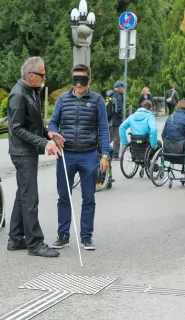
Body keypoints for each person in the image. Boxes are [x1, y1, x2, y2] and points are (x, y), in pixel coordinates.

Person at [48, 64, 110, 251]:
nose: (79, 84)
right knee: (64, 196)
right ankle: (63, 235)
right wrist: (52, 135)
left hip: (89, 155)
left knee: (89, 198)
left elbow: (104, 129)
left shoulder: (98, 100)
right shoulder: (62, 99)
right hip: (66, 155)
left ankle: (86, 237)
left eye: (82, 80)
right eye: (75, 80)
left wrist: (104, 155)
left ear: (89, 80)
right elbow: (52, 123)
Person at [7, 56, 64, 258]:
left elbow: (33, 124)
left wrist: (48, 133)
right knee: (30, 196)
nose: (44, 78)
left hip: (27, 151)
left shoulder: (31, 91)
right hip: (22, 153)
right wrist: (44, 143)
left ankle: (15, 238)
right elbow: (17, 129)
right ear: (31, 75)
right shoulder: (18, 95)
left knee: (23, 194)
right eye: (42, 74)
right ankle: (35, 244)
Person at [106, 81, 125, 161]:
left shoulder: (110, 95)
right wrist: (121, 117)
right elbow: (118, 109)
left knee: (109, 137)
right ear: (119, 88)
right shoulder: (118, 96)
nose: (124, 89)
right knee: (116, 138)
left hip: (109, 119)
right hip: (116, 120)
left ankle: (101, 151)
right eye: (123, 87)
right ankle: (115, 156)